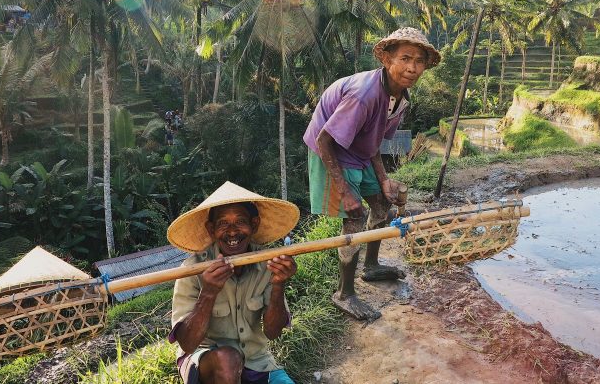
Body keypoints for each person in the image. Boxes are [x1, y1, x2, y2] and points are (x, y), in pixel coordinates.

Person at [303, 27, 440, 321]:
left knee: (381, 204)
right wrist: (345, 191)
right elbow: (324, 140)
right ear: (387, 58)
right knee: (353, 217)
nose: (412, 67)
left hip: (358, 149)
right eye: (405, 58)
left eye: (419, 61)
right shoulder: (364, 95)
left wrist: (384, 180)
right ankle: (344, 293)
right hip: (332, 151)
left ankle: (372, 265)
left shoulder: (400, 97)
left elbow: (375, 140)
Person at [167, 181, 300, 384]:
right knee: (228, 359)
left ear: (253, 224)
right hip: (206, 360)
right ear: (211, 229)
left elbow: (273, 332)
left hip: (257, 362)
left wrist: (279, 284)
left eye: (240, 222)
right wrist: (209, 293)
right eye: (223, 224)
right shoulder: (192, 269)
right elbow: (188, 343)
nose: (232, 232)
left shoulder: (268, 264)